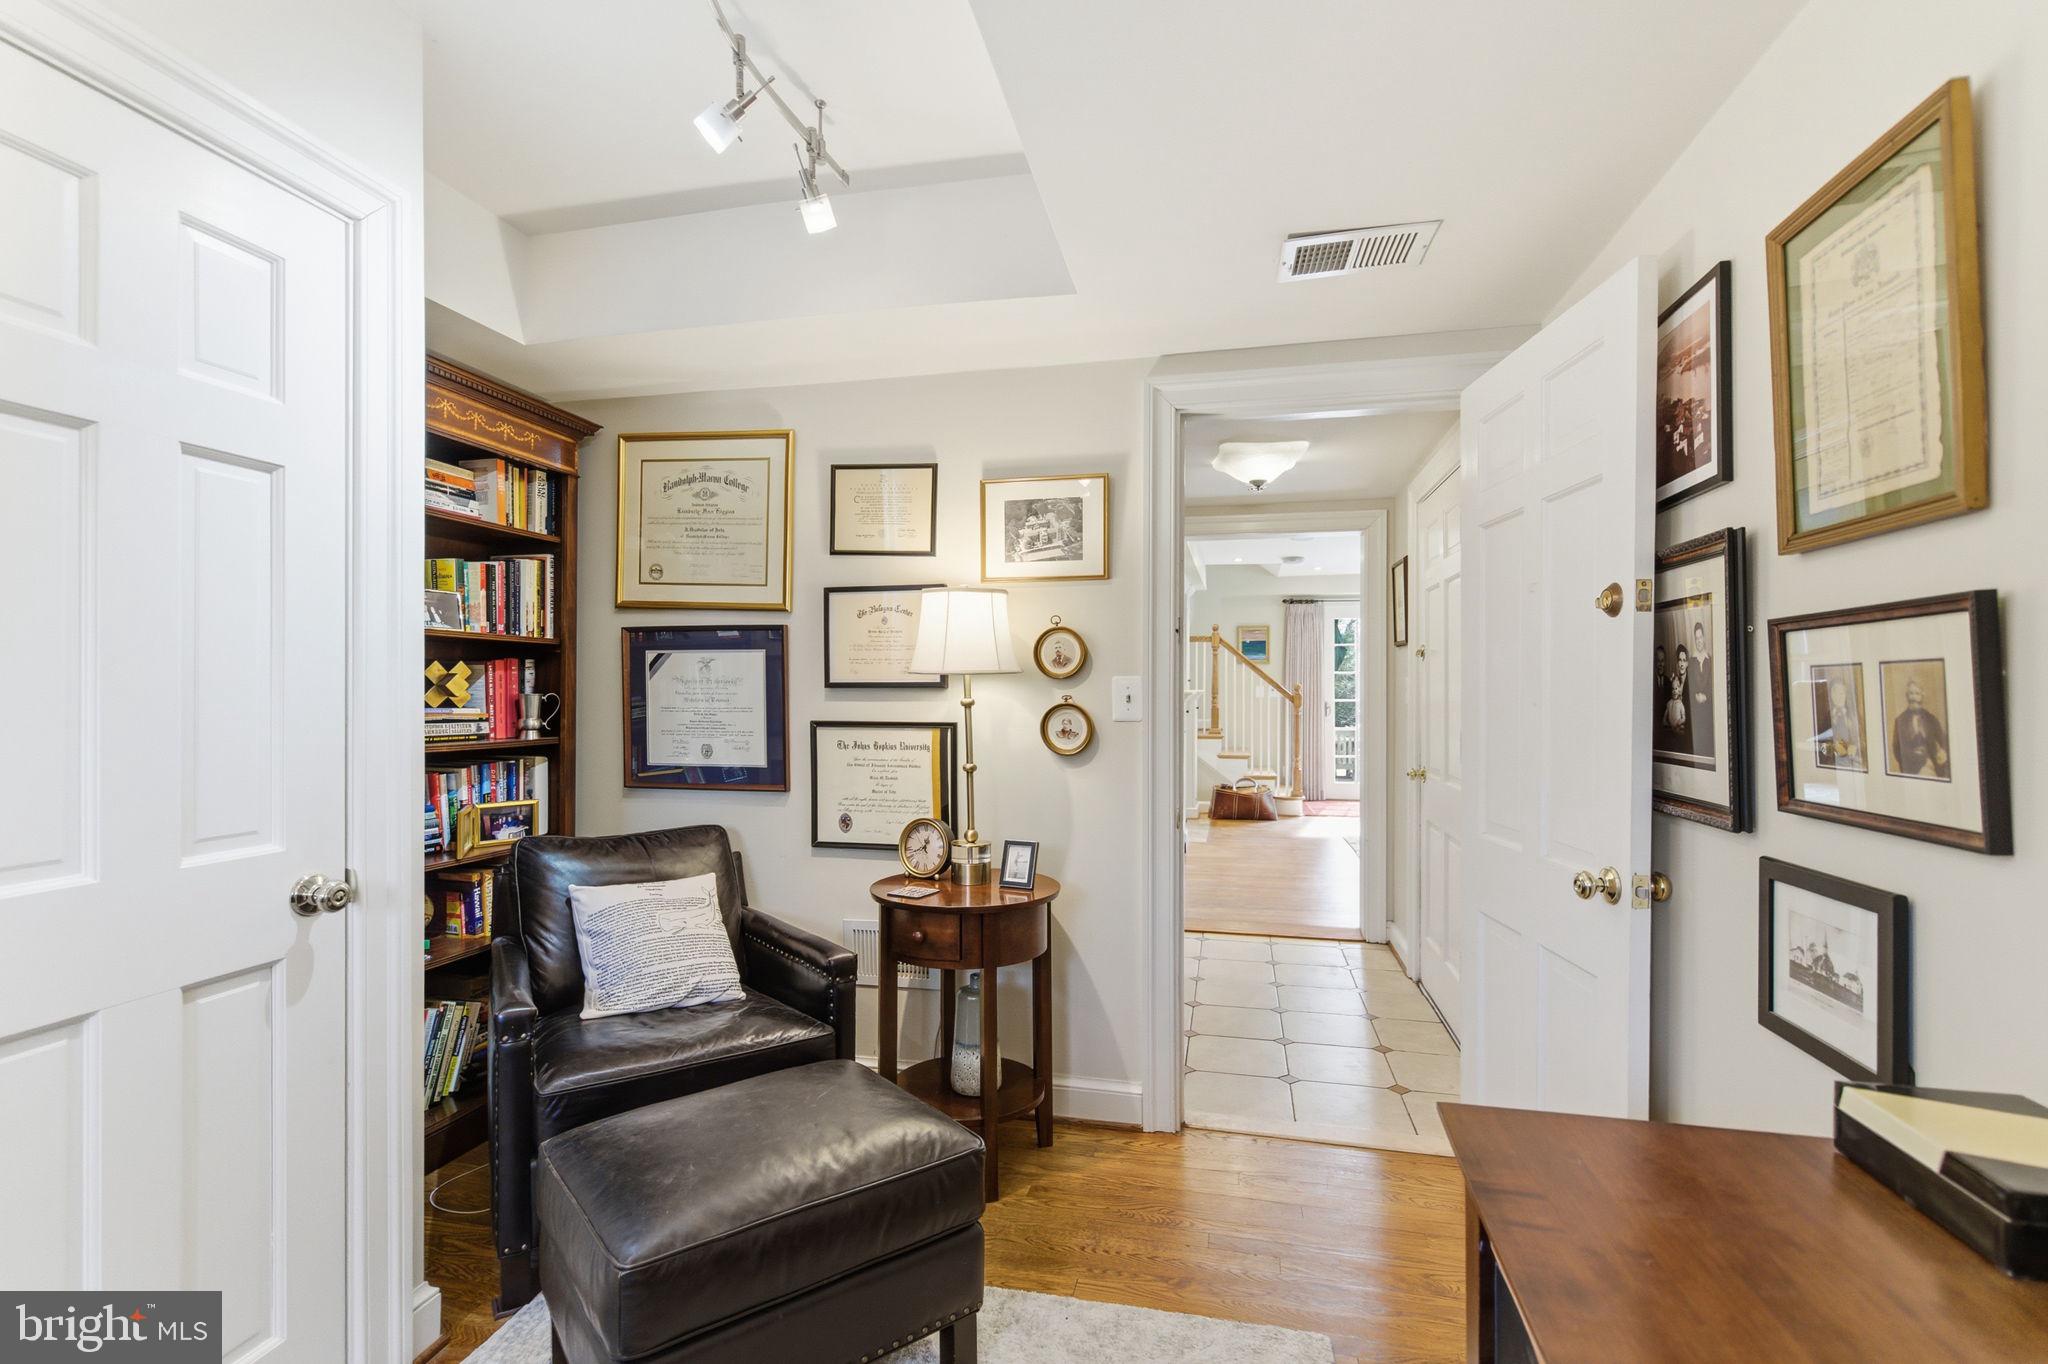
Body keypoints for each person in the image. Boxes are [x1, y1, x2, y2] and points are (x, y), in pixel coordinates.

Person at [1890, 677, 1951, 778]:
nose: (1913, 697)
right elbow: (1897, 750)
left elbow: (1944, 741)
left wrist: (1943, 752)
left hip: (1933, 767)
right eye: (1911, 693)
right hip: (1911, 769)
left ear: (1922, 696)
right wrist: (1922, 761)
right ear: (1907, 696)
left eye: (1917, 693)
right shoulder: (1900, 721)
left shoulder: (1931, 719)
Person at [1687, 618, 1715, 759]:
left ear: (1704, 638)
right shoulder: (1691, 662)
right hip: (1697, 711)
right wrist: (1695, 697)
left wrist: (1707, 697)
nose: (1698, 640)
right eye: (1696, 638)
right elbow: (1690, 687)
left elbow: (1713, 685)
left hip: (1709, 709)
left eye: (1700, 637)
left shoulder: (1710, 660)